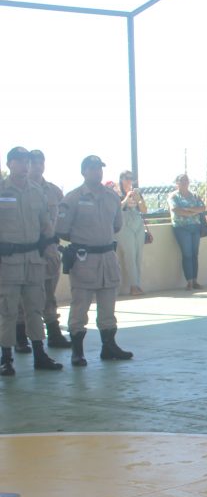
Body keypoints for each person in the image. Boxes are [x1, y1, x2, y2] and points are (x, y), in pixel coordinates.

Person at [56, 155, 133, 367]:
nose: (97, 172)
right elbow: (62, 229)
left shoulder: (112, 197)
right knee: (80, 306)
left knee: (108, 306)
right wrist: (85, 241)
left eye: (99, 168)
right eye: (92, 168)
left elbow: (116, 225)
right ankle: (77, 351)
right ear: (83, 172)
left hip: (107, 257)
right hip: (84, 259)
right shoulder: (73, 198)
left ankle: (109, 346)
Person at [0, 147, 60, 376]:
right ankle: (6, 358)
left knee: (35, 309)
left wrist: (51, 251)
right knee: (8, 311)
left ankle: (39, 354)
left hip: (34, 260)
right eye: (19, 161)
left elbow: (46, 226)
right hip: (9, 261)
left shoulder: (37, 192)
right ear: (9, 164)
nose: (24, 165)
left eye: (27, 161)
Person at [24, 149, 71, 349]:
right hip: (26, 250)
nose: (37, 166)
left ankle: (53, 333)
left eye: (40, 162)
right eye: (33, 163)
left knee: (49, 294)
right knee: (23, 295)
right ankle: (20, 336)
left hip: (49, 250)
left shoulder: (53, 191)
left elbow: (65, 216)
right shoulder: (19, 190)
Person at [168, 174, 207, 290]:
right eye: (182, 180)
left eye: (186, 180)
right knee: (187, 254)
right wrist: (193, 212)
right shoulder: (173, 196)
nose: (185, 182)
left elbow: (202, 208)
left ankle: (195, 280)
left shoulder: (194, 195)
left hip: (195, 226)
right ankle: (189, 281)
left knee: (195, 253)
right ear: (177, 183)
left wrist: (188, 210)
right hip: (181, 227)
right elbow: (175, 209)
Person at [116, 170, 148, 296]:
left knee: (138, 256)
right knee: (130, 254)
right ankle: (133, 286)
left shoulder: (136, 193)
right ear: (121, 179)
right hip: (124, 225)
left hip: (137, 224)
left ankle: (137, 285)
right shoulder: (116, 192)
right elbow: (116, 209)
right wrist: (126, 197)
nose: (129, 180)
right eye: (126, 178)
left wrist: (138, 198)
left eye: (131, 178)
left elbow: (144, 210)